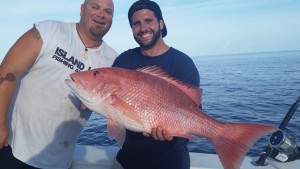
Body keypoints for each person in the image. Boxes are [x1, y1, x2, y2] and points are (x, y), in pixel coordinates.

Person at [0, 0, 118, 168]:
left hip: (60, 162)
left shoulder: (113, 61)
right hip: (12, 150)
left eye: (108, 12)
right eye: (95, 7)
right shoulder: (48, 30)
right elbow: (7, 71)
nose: (101, 14)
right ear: (82, 9)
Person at [111, 0, 200, 169]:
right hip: (127, 160)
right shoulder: (123, 60)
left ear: (161, 23)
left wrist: (172, 131)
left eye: (148, 21)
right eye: (136, 24)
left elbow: (195, 110)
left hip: (171, 163)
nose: (143, 28)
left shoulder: (182, 63)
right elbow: (115, 111)